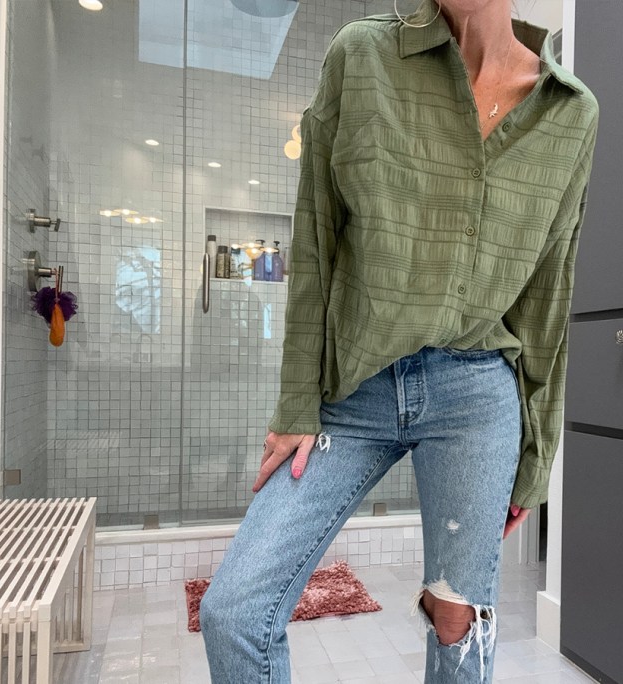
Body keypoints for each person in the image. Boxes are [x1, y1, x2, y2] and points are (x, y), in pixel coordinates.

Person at [199, 0, 599, 681]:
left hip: (478, 395)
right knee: (235, 610)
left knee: (458, 621)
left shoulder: (571, 112)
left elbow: (548, 298)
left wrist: (535, 458)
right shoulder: (361, 56)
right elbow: (317, 242)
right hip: (355, 386)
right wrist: (297, 402)